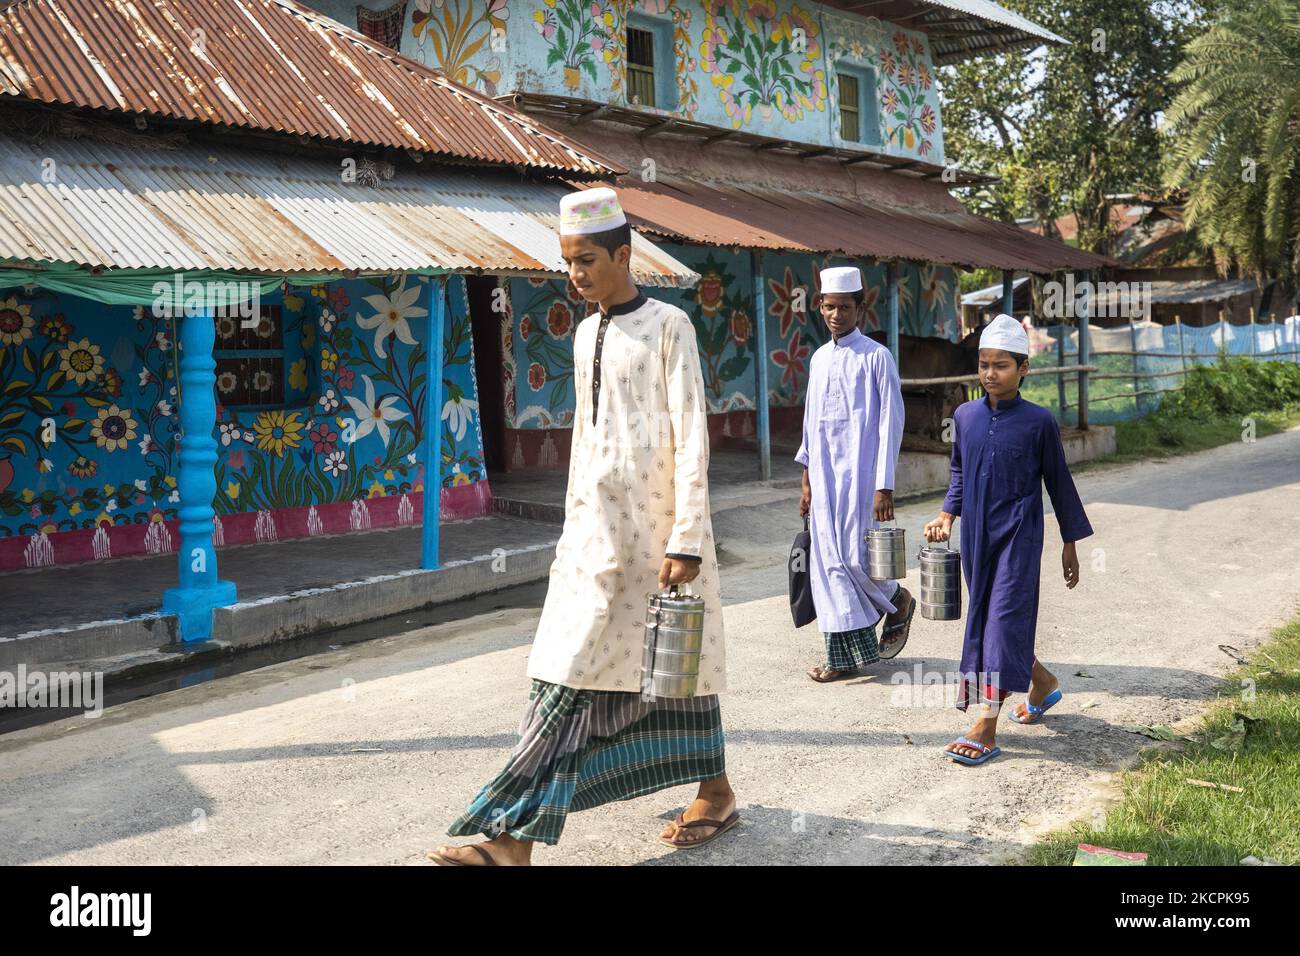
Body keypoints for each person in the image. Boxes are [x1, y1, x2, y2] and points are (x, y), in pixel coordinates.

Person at [429, 187, 737, 865]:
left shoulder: (669, 326)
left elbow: (690, 434)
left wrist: (687, 536)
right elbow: (590, 441)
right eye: (568, 261)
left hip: (656, 541)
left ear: (624, 254)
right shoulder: (584, 333)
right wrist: (572, 531)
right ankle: (519, 840)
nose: (576, 274)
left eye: (588, 259)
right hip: (594, 541)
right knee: (569, 672)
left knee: (662, 671)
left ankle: (516, 840)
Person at [923, 314, 1093, 766]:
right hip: (977, 536)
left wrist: (1069, 542)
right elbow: (959, 472)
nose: (990, 374)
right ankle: (1042, 682)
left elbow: (1059, 483)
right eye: (983, 364)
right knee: (991, 619)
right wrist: (946, 514)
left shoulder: (1038, 422)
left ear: (1023, 369)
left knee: (1001, 618)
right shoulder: (964, 416)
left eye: (1001, 365)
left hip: (1019, 535)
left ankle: (986, 723)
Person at [797, 266, 914, 683]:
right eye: (829, 307)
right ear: (820, 306)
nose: (835, 315)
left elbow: (890, 422)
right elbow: (811, 423)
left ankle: (897, 599)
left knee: (854, 558)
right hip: (825, 480)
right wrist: (806, 479)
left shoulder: (876, 357)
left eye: (844, 307)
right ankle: (841, 658)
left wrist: (885, 484)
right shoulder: (818, 358)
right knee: (827, 562)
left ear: (860, 307)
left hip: (862, 478)